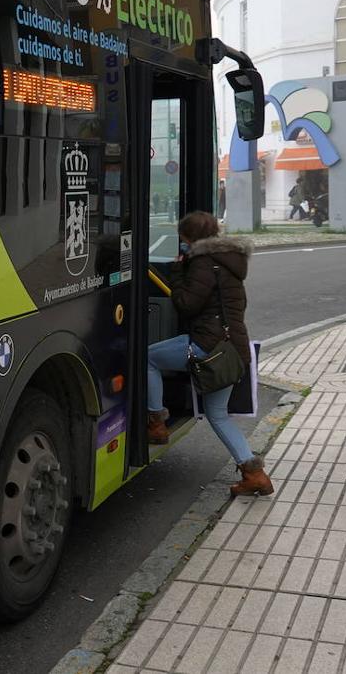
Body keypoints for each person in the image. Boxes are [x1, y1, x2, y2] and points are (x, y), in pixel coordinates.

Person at [146, 211, 272, 496]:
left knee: (149, 357)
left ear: (189, 238)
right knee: (218, 414)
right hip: (231, 349)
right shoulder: (230, 262)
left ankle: (156, 423)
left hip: (207, 347)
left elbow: (186, 305)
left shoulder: (203, 263)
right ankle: (255, 475)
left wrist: (178, 272)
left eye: (183, 239)